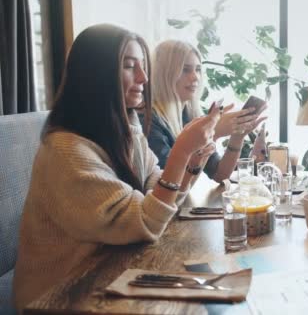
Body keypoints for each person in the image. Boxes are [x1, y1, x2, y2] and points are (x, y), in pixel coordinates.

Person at [13, 24, 220, 309]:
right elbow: (144, 221)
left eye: (143, 66)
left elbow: (157, 196)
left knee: (213, 292)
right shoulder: (66, 150)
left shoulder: (126, 128)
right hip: (62, 295)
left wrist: (191, 163)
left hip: (112, 271)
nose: (144, 77)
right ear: (95, 75)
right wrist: (182, 151)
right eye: (128, 66)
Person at [146, 39, 266, 181]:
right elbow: (170, 184)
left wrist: (237, 137)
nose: (195, 77)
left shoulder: (189, 114)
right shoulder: (149, 121)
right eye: (185, 70)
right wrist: (213, 133)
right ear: (164, 73)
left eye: (198, 69)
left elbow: (219, 174)